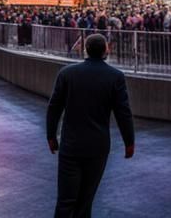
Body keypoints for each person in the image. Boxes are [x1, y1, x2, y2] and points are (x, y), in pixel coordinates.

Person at [46, 33, 135, 218]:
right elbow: (123, 113)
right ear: (106, 50)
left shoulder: (67, 73)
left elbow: (54, 107)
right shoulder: (115, 77)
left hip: (71, 145)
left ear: (85, 49)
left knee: (65, 200)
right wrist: (129, 142)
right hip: (97, 147)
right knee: (86, 200)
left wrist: (51, 136)